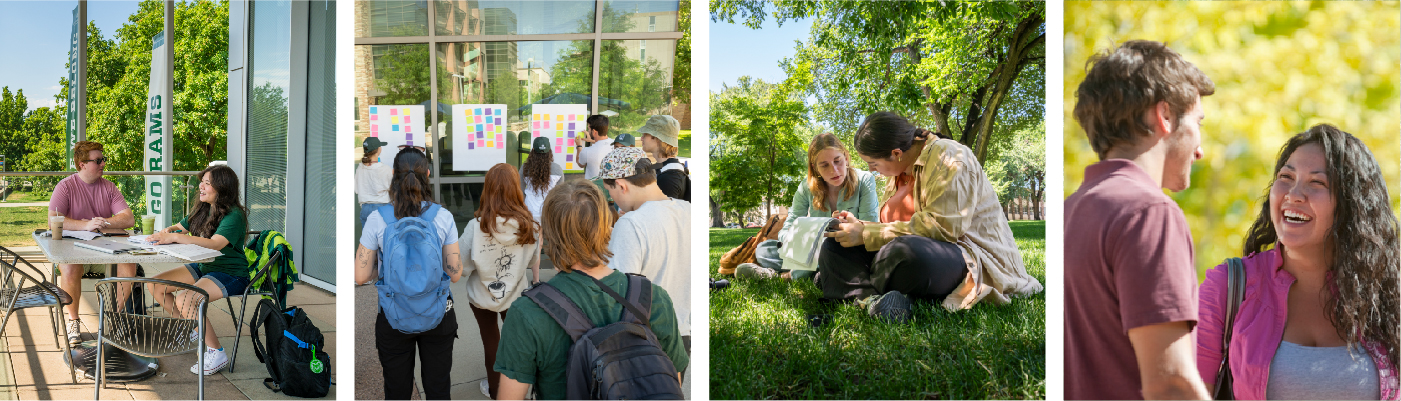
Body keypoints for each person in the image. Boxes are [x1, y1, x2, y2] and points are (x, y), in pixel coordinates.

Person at [1196, 125, 1400, 400]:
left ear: (1352, 206)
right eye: (1286, 177)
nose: (1293, 194)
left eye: (1317, 183)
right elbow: (1183, 391)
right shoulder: (1228, 286)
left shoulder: (1387, 293)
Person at [1063, 40, 1214, 400]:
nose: (1200, 149)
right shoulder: (1149, 214)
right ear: (1163, 116)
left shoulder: (1070, 209)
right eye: (1197, 122)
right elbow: (1171, 384)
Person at [822, 111, 1043, 324]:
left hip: (963, 254)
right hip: (902, 248)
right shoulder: (898, 172)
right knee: (835, 244)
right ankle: (876, 301)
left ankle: (849, 283)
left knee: (906, 254)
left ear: (896, 153)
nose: (872, 170)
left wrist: (867, 234)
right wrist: (859, 227)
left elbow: (943, 228)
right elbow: (894, 227)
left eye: (874, 164)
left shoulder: (950, 157)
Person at [494, 179, 687, 400]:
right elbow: (671, 383)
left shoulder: (527, 312)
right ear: (608, 227)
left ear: (546, 236)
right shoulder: (655, 298)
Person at [354, 148, 463, 400]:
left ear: (393, 175)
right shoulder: (443, 217)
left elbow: (360, 276)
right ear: (427, 174)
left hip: (393, 314)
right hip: (439, 312)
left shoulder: (377, 219)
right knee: (438, 389)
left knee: (397, 390)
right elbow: (454, 273)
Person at [146, 165, 249, 375]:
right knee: (155, 285)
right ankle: (189, 329)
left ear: (222, 188)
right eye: (202, 181)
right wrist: (168, 231)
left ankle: (216, 351)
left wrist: (174, 237)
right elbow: (180, 227)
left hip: (230, 273)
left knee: (186, 299)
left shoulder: (234, 215)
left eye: (207, 183)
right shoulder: (204, 208)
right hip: (204, 265)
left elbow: (215, 244)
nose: (200, 186)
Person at [738, 132, 879, 281]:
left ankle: (784, 276)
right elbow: (787, 228)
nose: (834, 170)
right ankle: (817, 273)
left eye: (838, 161)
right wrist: (797, 240)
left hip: (848, 248)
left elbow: (869, 228)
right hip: (810, 249)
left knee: (827, 248)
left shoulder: (864, 180)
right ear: (815, 168)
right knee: (764, 250)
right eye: (824, 165)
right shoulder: (806, 187)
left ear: (846, 157)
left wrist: (842, 228)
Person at [598, 147, 692, 356]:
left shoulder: (631, 223)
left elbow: (618, 294)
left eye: (609, 191)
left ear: (621, 185)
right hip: (683, 334)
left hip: (646, 339)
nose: (612, 199)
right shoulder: (689, 210)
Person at [460, 163, 542, 399]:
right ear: (517, 189)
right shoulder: (530, 227)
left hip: (481, 297)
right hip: (516, 295)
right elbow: (532, 261)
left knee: (491, 342)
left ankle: (497, 391)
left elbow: (463, 268)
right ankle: (520, 389)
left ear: (488, 189)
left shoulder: (476, 227)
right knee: (517, 343)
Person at [49, 140, 137, 346]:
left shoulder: (109, 187)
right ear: (82, 164)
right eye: (98, 161)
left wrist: (103, 223)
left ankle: (111, 317)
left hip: (103, 252)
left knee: (130, 265)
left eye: (103, 159)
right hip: (73, 252)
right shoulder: (65, 187)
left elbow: (128, 219)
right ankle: (73, 321)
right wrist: (86, 225)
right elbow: (54, 220)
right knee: (70, 268)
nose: (103, 164)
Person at [636, 115, 689, 201]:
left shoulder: (669, 177)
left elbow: (664, 213)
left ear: (657, 138)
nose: (641, 138)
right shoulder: (665, 168)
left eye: (645, 134)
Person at [521, 136, 563, 226]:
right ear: (549, 151)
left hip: (529, 210)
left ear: (533, 150)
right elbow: (560, 194)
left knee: (532, 237)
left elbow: (519, 190)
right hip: (548, 210)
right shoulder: (557, 169)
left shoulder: (525, 168)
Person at [357, 137, 393, 229]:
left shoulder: (359, 169)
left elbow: (357, 189)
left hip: (365, 209)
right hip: (382, 208)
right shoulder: (385, 169)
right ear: (378, 149)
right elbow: (393, 189)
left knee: (367, 242)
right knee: (383, 241)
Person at [575, 114, 614, 179]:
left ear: (594, 132)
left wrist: (579, 146)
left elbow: (580, 163)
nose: (588, 131)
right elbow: (603, 144)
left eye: (589, 129)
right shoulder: (616, 143)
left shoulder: (587, 151)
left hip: (594, 187)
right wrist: (591, 140)